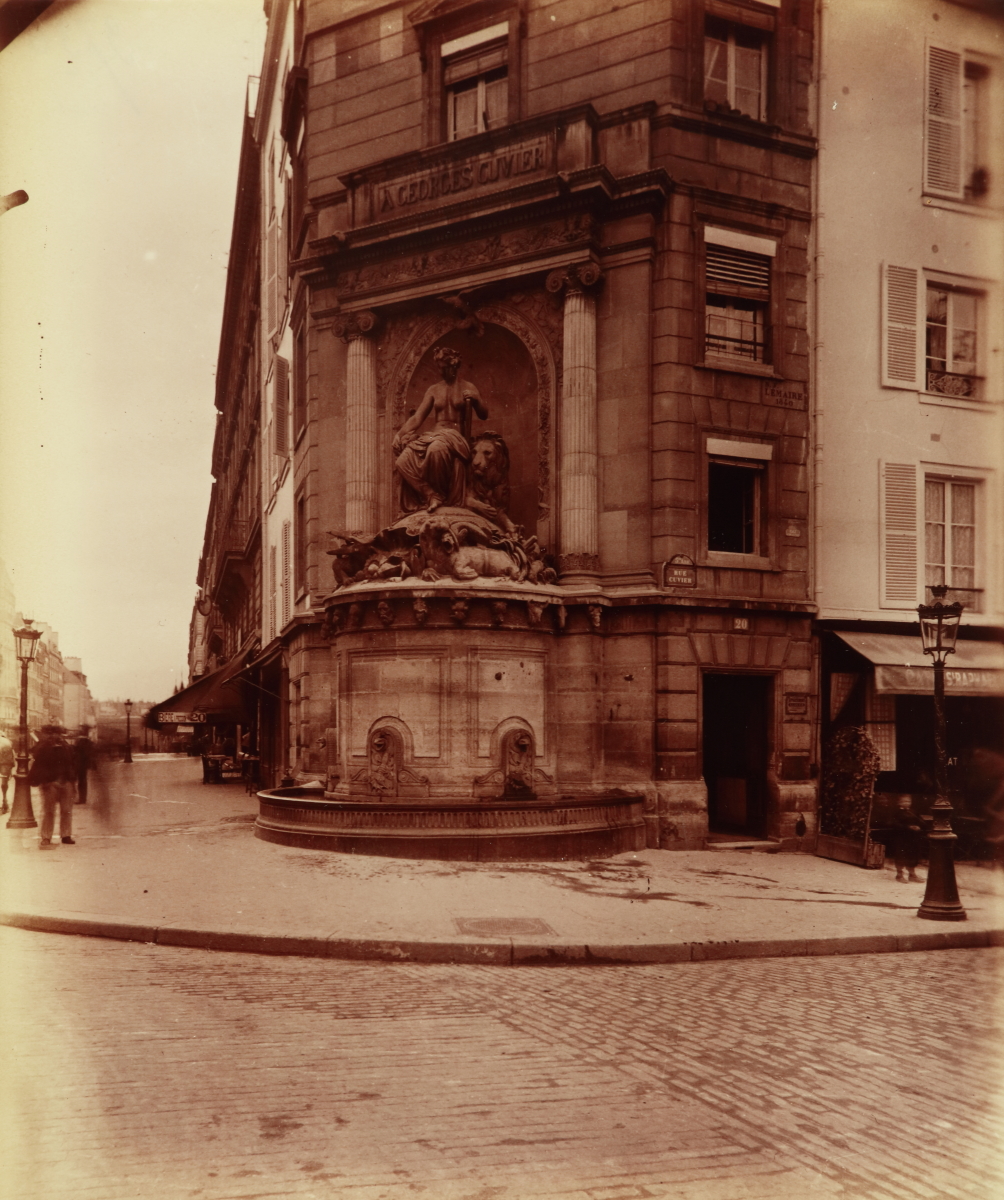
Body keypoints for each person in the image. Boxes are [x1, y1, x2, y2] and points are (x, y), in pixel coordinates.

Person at [393, 346, 488, 513]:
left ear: (454, 365)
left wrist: (476, 399)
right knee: (402, 460)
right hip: (435, 435)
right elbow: (417, 418)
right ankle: (431, 494)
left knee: (436, 450)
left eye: (444, 368)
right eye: (439, 368)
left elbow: (484, 414)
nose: (441, 372)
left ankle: (441, 497)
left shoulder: (468, 387)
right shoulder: (434, 389)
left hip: (455, 437)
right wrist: (399, 434)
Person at [28, 725, 77, 848]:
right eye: (53, 734)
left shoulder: (66, 746)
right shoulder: (43, 747)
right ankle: (46, 837)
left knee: (66, 810)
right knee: (48, 811)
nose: (56, 736)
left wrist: (72, 780)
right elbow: (37, 759)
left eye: (58, 734)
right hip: (50, 783)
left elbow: (72, 762)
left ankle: (66, 835)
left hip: (66, 781)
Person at [890, 795, 926, 883]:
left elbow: (920, 820)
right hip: (901, 837)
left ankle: (912, 875)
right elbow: (893, 823)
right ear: (899, 803)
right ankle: (899, 875)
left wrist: (919, 825)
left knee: (912, 855)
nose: (907, 803)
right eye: (904, 801)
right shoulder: (897, 813)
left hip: (912, 837)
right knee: (901, 855)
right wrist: (908, 827)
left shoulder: (913, 811)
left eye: (908, 801)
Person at [73, 727, 93, 804]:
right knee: (83, 782)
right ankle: (82, 798)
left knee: (77, 781)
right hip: (83, 765)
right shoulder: (88, 742)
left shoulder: (80, 742)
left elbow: (77, 752)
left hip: (78, 764)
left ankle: (79, 799)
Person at [0, 729, 14, 813]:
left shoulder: (6, 742)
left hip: (5, 763)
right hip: (5, 764)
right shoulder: (8, 742)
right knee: (4, 784)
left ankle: (4, 803)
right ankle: (4, 802)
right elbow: (12, 758)